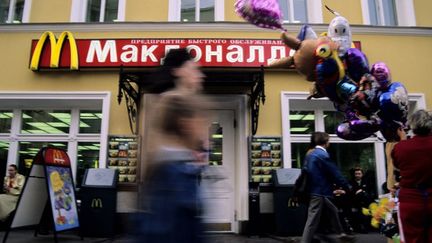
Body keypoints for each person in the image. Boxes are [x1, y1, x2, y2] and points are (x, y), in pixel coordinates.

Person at [137, 94, 209, 243]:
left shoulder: (179, 166)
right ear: (185, 124)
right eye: (201, 122)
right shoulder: (174, 173)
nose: (205, 129)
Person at [301, 132, 354, 243]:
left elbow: (305, 172)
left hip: (316, 190)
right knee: (312, 220)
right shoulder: (322, 155)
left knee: (333, 211)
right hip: (320, 191)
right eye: (329, 140)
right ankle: (304, 241)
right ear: (326, 142)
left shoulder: (310, 154)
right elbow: (335, 172)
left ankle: (341, 234)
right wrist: (347, 185)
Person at [391, 109, 432, 243]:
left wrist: (403, 141)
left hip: (410, 200)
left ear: (412, 126)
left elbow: (399, 165)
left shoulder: (401, 147)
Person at [348, 167, 374, 233]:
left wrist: (361, 190)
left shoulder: (366, 181)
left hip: (365, 202)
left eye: (359, 174)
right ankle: (358, 228)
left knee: (363, 195)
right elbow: (350, 192)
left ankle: (365, 227)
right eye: (356, 174)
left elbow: (369, 190)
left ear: (362, 174)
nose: (357, 175)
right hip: (355, 202)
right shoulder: (350, 182)